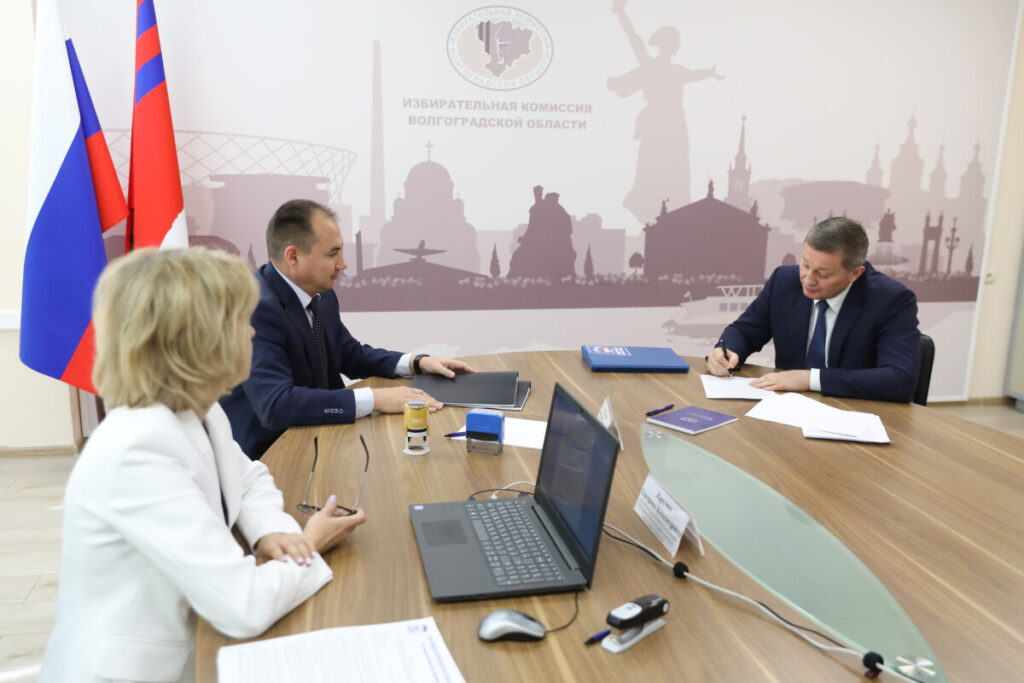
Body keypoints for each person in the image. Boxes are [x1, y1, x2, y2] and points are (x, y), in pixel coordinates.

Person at [39, 247, 365, 683]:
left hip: (195, 648)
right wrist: (311, 544)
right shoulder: (137, 451)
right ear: (198, 341)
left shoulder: (200, 412)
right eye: (240, 321)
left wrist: (274, 532)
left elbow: (249, 479)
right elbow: (243, 606)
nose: (252, 332)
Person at [220, 199, 473, 459]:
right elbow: (276, 405)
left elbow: (348, 354)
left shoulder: (321, 294)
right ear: (293, 257)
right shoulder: (255, 308)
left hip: (323, 438)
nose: (343, 264)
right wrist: (376, 399)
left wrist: (416, 362)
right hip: (272, 456)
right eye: (333, 254)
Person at [706, 217, 921, 402]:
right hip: (785, 407)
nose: (808, 279)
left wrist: (810, 379)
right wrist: (727, 351)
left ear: (855, 273)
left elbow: (900, 380)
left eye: (823, 274)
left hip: (854, 413)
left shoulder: (891, 300)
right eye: (806, 265)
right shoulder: (784, 281)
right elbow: (744, 331)